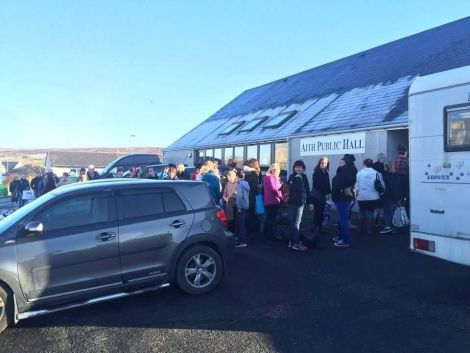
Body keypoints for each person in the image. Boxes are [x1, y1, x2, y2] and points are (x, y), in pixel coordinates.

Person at [355, 158, 385, 236]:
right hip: (373, 197)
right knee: (371, 213)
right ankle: (370, 230)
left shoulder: (359, 173)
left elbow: (356, 185)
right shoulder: (377, 173)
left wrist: (356, 193)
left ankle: (360, 229)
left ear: (364, 164)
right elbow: (382, 185)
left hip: (361, 196)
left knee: (361, 212)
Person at [331, 158, 356, 247]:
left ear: (346, 163)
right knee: (341, 220)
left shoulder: (344, 173)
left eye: (342, 162)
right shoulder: (346, 172)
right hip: (344, 198)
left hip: (342, 199)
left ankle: (344, 241)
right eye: (340, 162)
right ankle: (340, 237)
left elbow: (337, 186)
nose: (340, 163)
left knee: (343, 220)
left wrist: (335, 196)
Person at [286, 160, 310, 251]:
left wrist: (309, 202)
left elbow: (307, 189)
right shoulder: (292, 177)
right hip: (293, 202)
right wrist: (296, 179)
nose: (298, 169)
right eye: (296, 167)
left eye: (300, 167)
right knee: (295, 222)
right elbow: (290, 189)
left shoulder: (304, 177)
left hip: (301, 202)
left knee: (295, 222)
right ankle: (295, 242)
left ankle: (292, 241)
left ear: (303, 169)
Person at [309, 157, 331, 234]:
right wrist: (325, 192)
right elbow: (317, 185)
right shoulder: (317, 172)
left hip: (323, 195)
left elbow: (327, 184)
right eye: (322, 163)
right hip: (317, 195)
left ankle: (319, 226)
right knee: (318, 212)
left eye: (325, 163)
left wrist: (328, 192)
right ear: (319, 163)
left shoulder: (326, 172)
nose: (323, 165)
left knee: (321, 212)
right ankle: (315, 227)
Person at [380, 161, 401, 234]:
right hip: (395, 195)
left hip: (387, 195)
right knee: (393, 211)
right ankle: (393, 226)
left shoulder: (384, 175)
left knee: (387, 211)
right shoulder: (397, 175)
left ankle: (388, 226)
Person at [262, 163, 282, 241]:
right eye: (274, 169)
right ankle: (271, 235)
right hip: (272, 201)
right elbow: (274, 189)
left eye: (277, 169)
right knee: (272, 219)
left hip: (270, 201)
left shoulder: (270, 177)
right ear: (271, 169)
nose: (276, 171)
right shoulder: (270, 178)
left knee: (269, 218)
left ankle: (267, 234)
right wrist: (281, 196)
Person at [243, 159, 262, 234]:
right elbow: (255, 186)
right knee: (253, 213)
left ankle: (248, 231)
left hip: (247, 196)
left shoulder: (246, 172)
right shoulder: (253, 174)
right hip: (253, 196)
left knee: (248, 214)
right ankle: (252, 231)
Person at [235, 169, 250, 248]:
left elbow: (239, 196)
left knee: (241, 224)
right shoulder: (246, 183)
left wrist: (239, 207)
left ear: (237, 176)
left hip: (241, 206)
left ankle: (242, 241)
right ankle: (241, 238)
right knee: (242, 222)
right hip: (246, 204)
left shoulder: (240, 184)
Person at [395, 145, 410, 214]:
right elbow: (409, 170)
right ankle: (405, 215)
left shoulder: (396, 160)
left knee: (400, 198)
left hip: (398, 181)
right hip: (405, 181)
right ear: (405, 152)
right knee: (406, 198)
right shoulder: (406, 160)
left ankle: (399, 214)